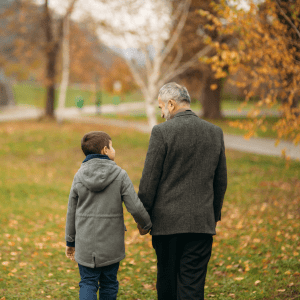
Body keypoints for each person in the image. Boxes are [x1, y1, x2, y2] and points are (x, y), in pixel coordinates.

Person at [138, 82, 227, 300]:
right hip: (201, 224)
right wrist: (212, 216)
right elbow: (220, 181)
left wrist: (143, 219)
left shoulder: (161, 132)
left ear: (171, 104)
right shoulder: (215, 132)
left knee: (167, 284)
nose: (161, 114)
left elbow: (149, 182)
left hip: (166, 226)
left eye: (161, 108)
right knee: (192, 286)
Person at [65, 131, 152, 300]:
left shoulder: (79, 176)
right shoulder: (120, 175)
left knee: (88, 282)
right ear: (105, 150)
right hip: (111, 245)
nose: (114, 149)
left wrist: (70, 241)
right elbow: (134, 206)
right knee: (109, 283)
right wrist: (146, 224)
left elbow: (71, 211)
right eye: (112, 146)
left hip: (85, 244)